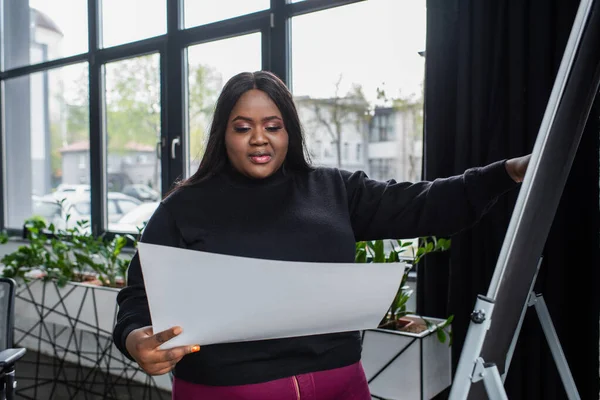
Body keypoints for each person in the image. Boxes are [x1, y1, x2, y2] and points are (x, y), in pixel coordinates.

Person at [112, 70, 530, 400]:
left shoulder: (334, 189)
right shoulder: (183, 207)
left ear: (288, 131)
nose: (259, 138)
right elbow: (137, 295)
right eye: (243, 127)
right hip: (227, 388)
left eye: (272, 125)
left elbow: (423, 203)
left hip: (341, 385)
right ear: (224, 134)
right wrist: (135, 340)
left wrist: (505, 173)